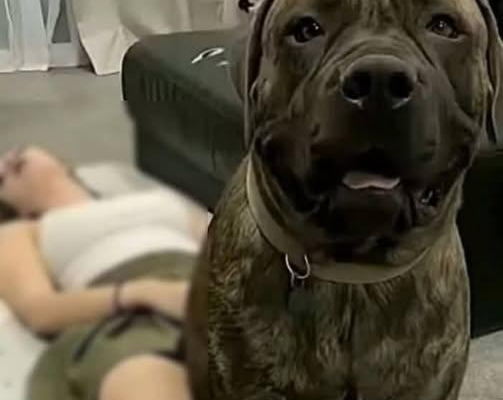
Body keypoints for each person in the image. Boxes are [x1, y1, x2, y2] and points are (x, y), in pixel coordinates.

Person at [0, 146, 206, 400]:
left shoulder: (159, 199)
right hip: (128, 315)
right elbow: (40, 311)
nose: (5, 162)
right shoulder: (22, 232)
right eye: (0, 179)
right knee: (137, 368)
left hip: (205, 280)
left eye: (17, 151)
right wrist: (147, 293)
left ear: (62, 163)